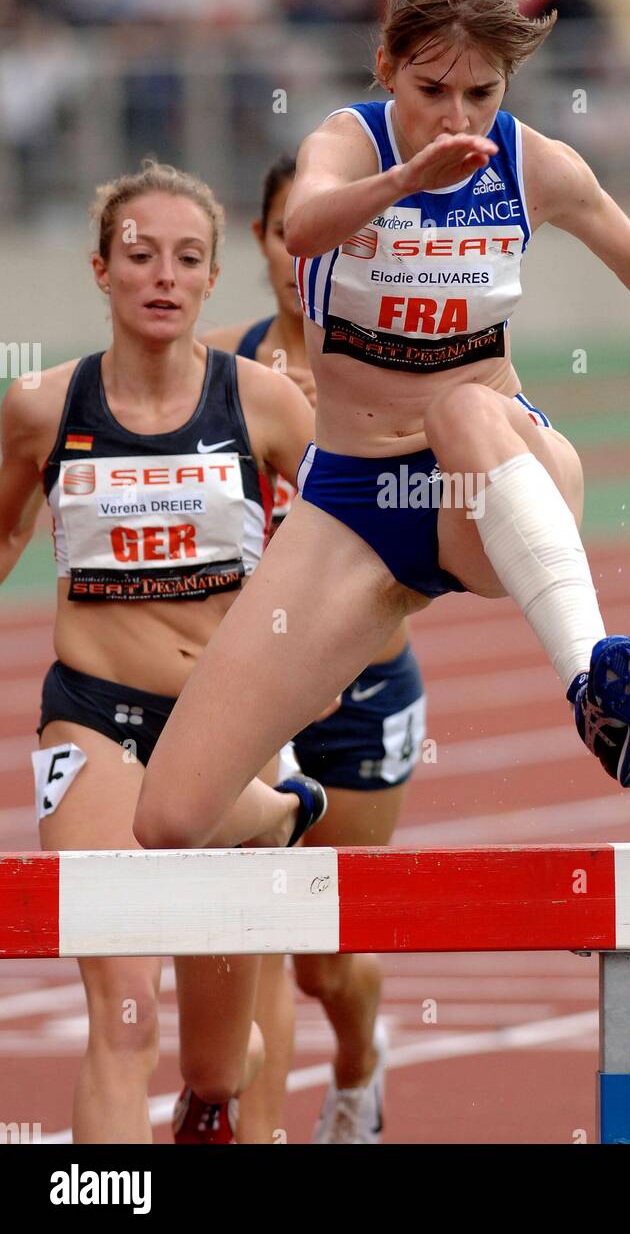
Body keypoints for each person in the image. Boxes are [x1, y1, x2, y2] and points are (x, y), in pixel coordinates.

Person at [135, 0, 630, 951]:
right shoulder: (350, 142)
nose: (458, 117)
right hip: (355, 505)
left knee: (459, 407)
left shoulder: (532, 162)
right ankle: (289, 810)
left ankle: (593, 678)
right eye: (433, 89)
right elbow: (303, 227)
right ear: (387, 70)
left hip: (495, 477)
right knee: (168, 818)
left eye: (482, 92)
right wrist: (408, 178)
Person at [0, 161, 328, 1144]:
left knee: (216, 1067)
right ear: (101, 269)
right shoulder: (40, 408)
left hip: (222, 730)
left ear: (212, 279)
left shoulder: (266, 406)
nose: (163, 276)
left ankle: (221, 1088)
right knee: (122, 1011)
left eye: (187, 259)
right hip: (92, 717)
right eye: (140, 255)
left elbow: (348, 549)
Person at [200, 153, 423, 1143]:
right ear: (263, 241)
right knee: (264, 923)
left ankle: (359, 1061)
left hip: (363, 688)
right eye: (292, 228)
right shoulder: (213, 366)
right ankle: (256, 1129)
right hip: (250, 690)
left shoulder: (392, 366)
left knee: (323, 954)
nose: (309, 249)